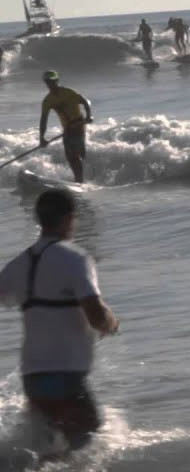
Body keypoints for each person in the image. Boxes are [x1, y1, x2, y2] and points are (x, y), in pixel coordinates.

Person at [0, 189, 120, 464]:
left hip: (33, 379)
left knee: (54, 450)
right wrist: (111, 323)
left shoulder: (20, 263)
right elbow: (96, 314)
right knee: (89, 445)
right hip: (64, 377)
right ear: (69, 219)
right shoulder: (75, 259)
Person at [39, 71, 92, 184]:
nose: (50, 84)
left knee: (77, 154)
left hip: (78, 125)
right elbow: (43, 120)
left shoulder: (69, 92)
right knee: (70, 157)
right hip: (67, 129)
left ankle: (80, 181)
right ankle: (79, 181)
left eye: (52, 81)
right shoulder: (47, 100)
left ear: (57, 81)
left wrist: (88, 116)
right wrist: (42, 138)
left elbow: (85, 102)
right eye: (48, 82)